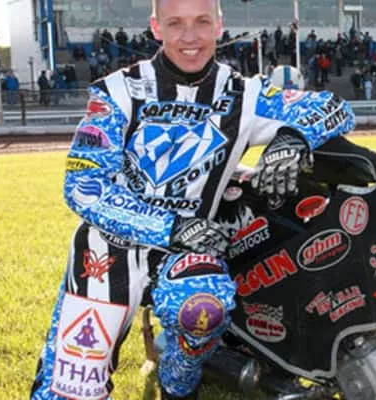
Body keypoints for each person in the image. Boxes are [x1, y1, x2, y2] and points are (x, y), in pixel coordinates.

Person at [29, 0, 355, 399]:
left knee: (205, 306)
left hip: (187, 252)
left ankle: (178, 384)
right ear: (156, 27)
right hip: (106, 251)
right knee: (66, 392)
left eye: (201, 22)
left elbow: (334, 107)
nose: (190, 37)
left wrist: (292, 138)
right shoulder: (117, 92)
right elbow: (83, 185)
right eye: (175, 23)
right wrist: (171, 227)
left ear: (218, 26)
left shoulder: (244, 94)